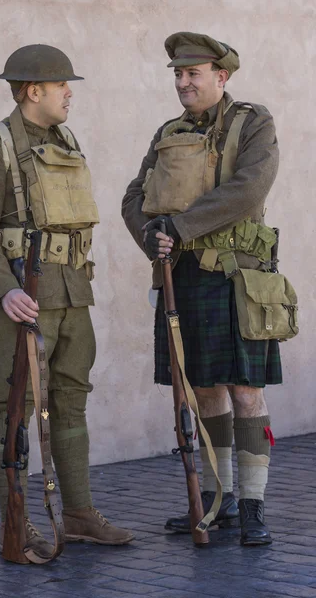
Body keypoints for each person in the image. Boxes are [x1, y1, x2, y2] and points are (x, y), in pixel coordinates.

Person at [0, 44, 134, 562]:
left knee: (72, 399)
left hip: (73, 293)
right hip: (23, 298)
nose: (69, 94)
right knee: (14, 408)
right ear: (33, 91)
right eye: (62, 86)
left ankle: (78, 514)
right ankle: (17, 523)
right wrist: (2, 290)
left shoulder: (65, 139)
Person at [122, 32, 281, 546]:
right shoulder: (168, 132)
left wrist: (179, 227)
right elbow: (134, 194)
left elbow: (249, 188)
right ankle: (220, 499)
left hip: (239, 277)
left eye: (193, 74)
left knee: (246, 391)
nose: (183, 83)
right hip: (183, 275)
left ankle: (253, 507)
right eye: (177, 74)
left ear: (221, 76)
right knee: (205, 390)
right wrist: (152, 236)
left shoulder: (253, 123)